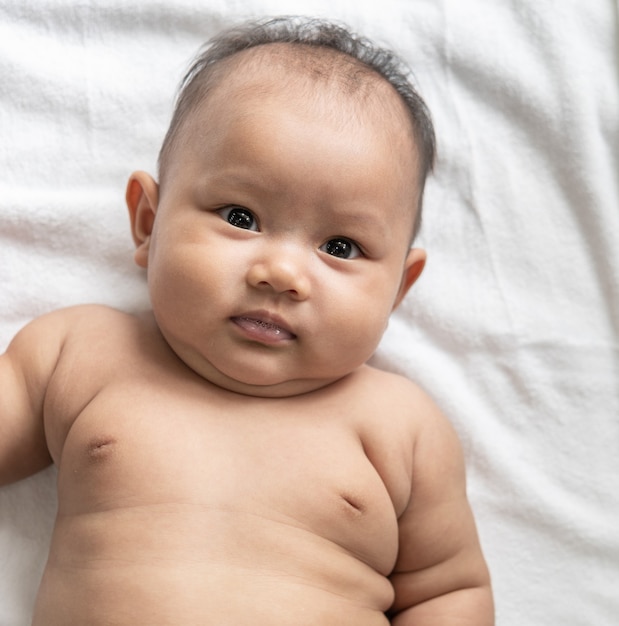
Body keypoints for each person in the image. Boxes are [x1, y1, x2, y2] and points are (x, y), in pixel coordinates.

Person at [0, 16, 493, 625]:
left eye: (340, 248)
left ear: (398, 289)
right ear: (148, 223)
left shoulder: (402, 426)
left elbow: (448, 592)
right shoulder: (80, 352)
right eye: (240, 215)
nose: (280, 272)